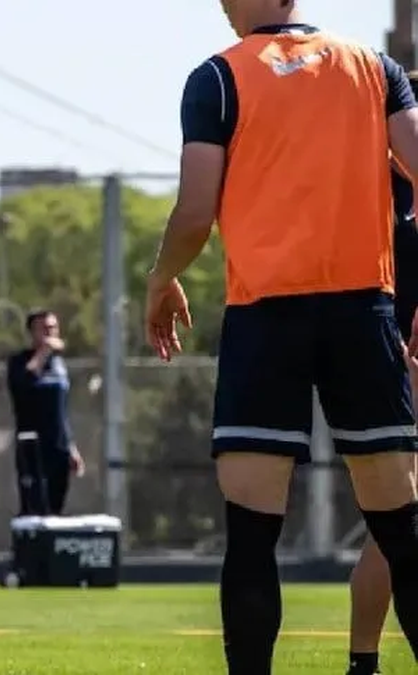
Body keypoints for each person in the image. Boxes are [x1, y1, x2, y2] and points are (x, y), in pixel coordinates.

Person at [145, 2, 418, 672]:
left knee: (251, 533)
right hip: (363, 315)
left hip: (266, 318)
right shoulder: (375, 69)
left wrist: (160, 280)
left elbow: (194, 211)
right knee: (402, 533)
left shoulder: (217, 78)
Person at [346, 69, 418, 675]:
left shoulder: (371, 201)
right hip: (408, 368)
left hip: (379, 360)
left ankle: (362, 663)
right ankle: (362, 662)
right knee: (399, 528)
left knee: (392, 526)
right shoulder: (406, 211)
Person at [6, 309, 85, 517]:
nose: (50, 333)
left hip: (58, 446)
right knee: (33, 507)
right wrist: (42, 353)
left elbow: (61, 410)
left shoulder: (58, 365)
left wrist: (71, 447)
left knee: (55, 508)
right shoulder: (19, 361)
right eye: (44, 329)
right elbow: (22, 387)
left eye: (53, 328)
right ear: (31, 332)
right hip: (32, 446)